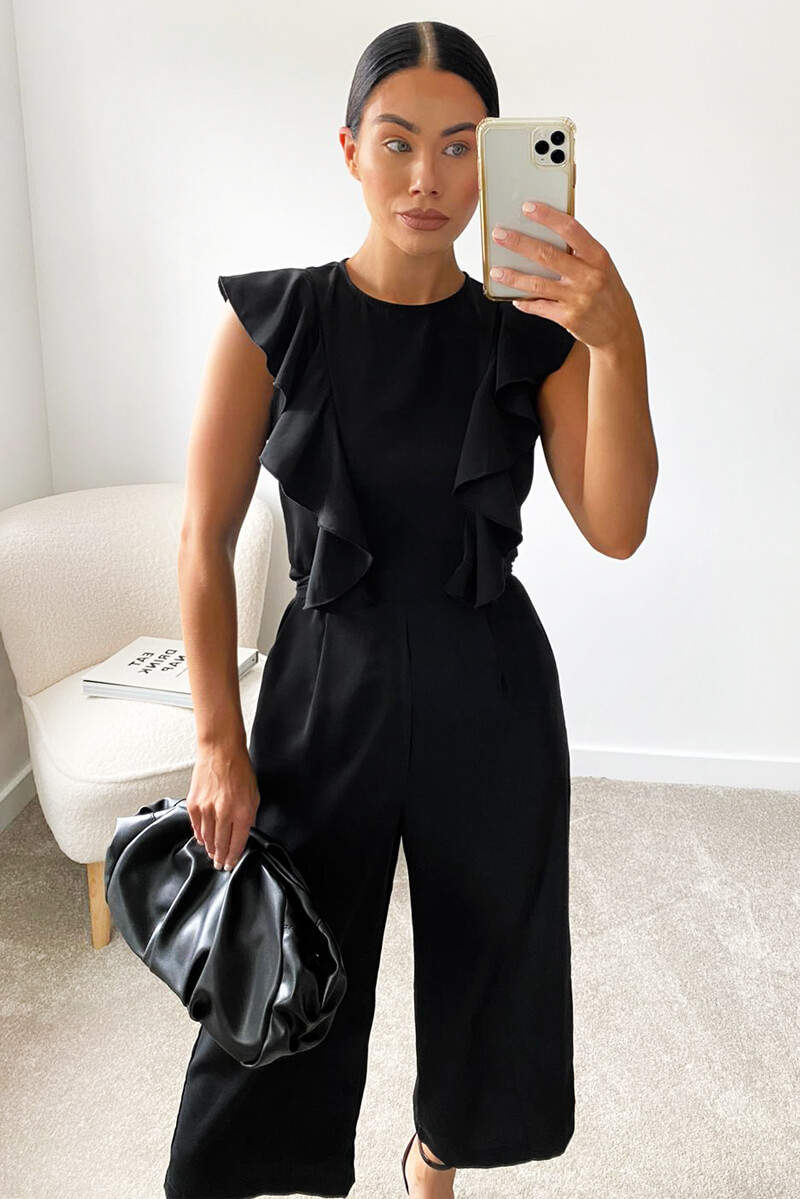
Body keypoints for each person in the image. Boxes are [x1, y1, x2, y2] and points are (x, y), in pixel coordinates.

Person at [164, 18, 656, 1199]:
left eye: (456, 146)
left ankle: (434, 1160)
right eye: (395, 142)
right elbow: (200, 540)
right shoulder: (272, 322)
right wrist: (218, 740)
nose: (425, 177)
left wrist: (617, 337)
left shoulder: (530, 336)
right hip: (322, 690)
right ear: (348, 150)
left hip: (489, 688)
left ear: (491, 159)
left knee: (492, 960)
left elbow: (615, 524)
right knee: (278, 964)